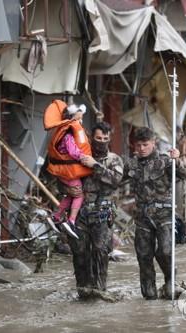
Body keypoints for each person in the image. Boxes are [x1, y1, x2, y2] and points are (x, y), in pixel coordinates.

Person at [123, 127, 186, 300]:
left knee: (166, 251)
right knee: (144, 256)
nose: (142, 148)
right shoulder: (131, 164)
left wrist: (178, 159)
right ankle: (149, 295)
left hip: (164, 214)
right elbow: (115, 181)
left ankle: (170, 280)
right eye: (138, 145)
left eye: (145, 144)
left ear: (153, 143)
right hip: (142, 217)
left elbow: (184, 174)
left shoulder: (165, 161)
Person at [66, 122, 124, 298]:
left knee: (100, 250)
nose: (102, 141)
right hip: (81, 211)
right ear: (92, 137)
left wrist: (95, 165)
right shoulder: (80, 156)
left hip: (103, 211)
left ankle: (99, 291)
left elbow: (115, 180)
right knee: (79, 251)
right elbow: (66, 176)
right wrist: (67, 189)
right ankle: (83, 291)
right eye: (98, 138)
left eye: (105, 139)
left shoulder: (114, 159)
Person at [46, 103, 92, 238]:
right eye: (78, 119)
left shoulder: (66, 131)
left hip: (64, 170)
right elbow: (73, 151)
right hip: (68, 170)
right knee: (79, 194)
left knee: (71, 195)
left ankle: (56, 216)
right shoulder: (68, 135)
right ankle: (71, 220)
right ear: (71, 118)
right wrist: (83, 157)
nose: (80, 121)